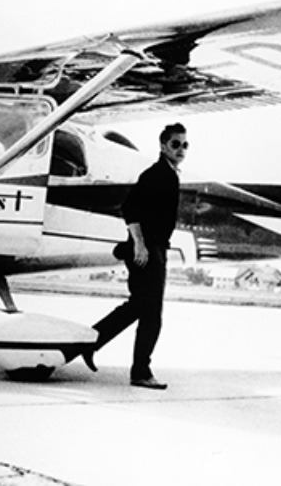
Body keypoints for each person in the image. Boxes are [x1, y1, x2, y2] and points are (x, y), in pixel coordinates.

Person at [94, 122, 187, 389]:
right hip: (147, 251)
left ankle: (90, 342)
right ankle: (141, 372)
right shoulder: (157, 174)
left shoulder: (169, 174)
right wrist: (140, 244)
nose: (181, 149)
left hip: (155, 248)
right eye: (175, 144)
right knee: (152, 315)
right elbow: (130, 208)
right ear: (163, 146)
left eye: (185, 145)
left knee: (138, 307)